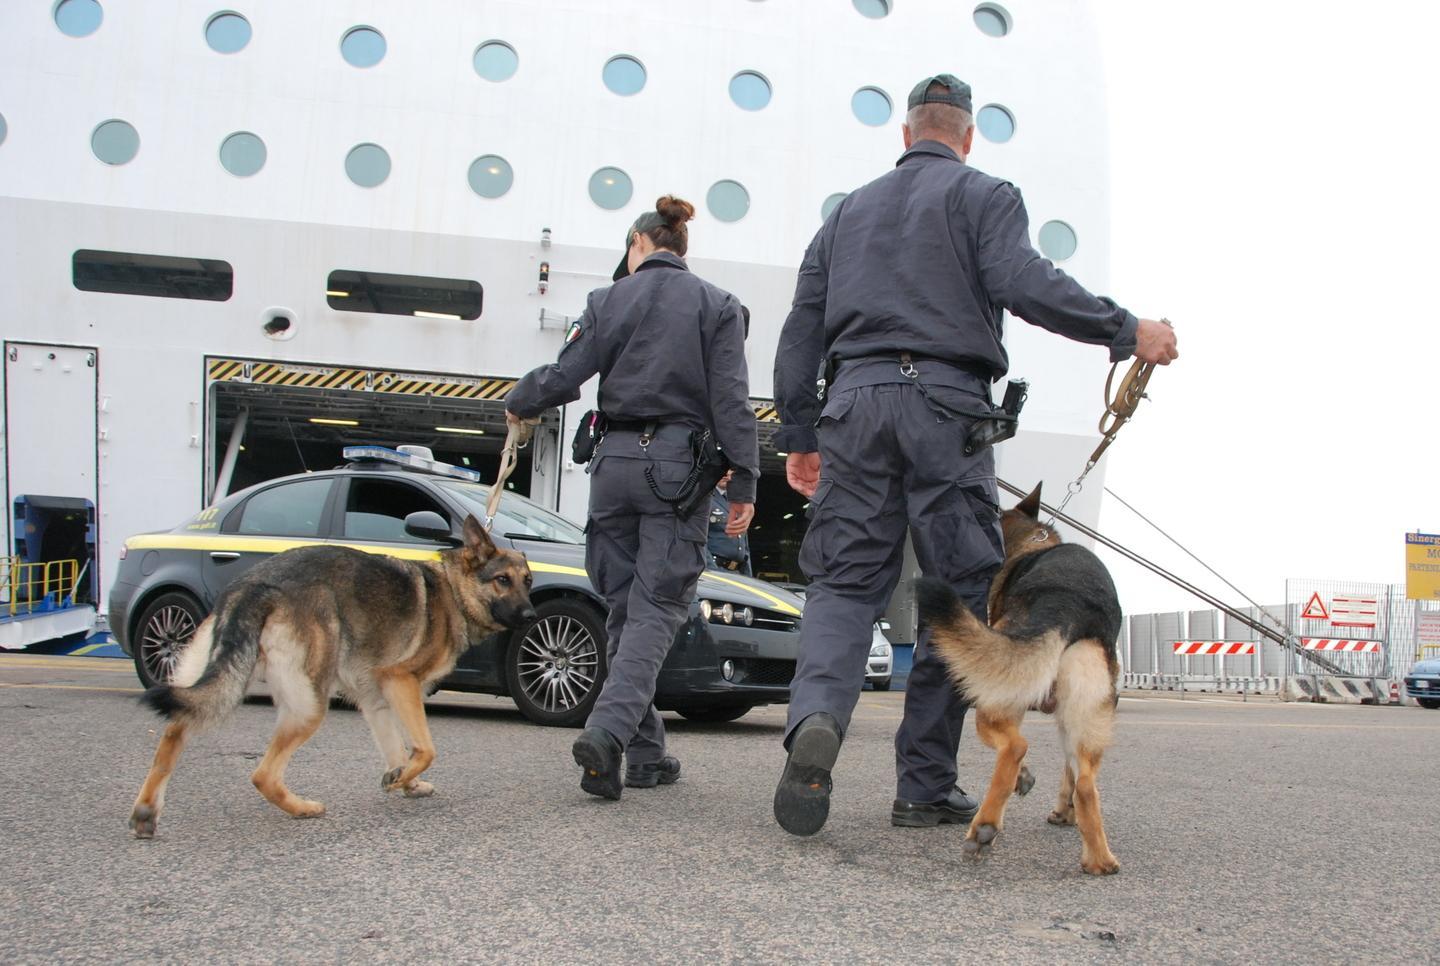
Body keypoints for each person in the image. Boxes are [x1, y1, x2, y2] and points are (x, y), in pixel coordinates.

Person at [769, 74, 1179, 837]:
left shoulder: (845, 216)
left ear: (905, 135)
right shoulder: (987, 195)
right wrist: (1127, 331)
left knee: (845, 587)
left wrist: (798, 433)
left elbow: (801, 329)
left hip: (853, 403)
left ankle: (815, 723)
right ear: (965, 136)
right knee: (956, 599)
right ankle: (922, 784)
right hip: (947, 407)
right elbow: (1026, 283)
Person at [506, 195, 759, 800]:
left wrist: (522, 397)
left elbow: (565, 376)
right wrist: (745, 478)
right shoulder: (719, 306)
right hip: (675, 470)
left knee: (625, 608)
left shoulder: (605, 300)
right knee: (658, 607)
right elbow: (731, 400)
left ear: (638, 244)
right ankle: (609, 730)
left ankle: (644, 754)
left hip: (612, 465)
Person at [707, 470, 752, 575]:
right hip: (715, 569)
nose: (726, 473)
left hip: (737, 572)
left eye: (730, 469)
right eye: (723, 468)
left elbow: (745, 546)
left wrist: (748, 575)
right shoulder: (705, 498)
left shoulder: (740, 501)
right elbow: (700, 540)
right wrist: (711, 570)